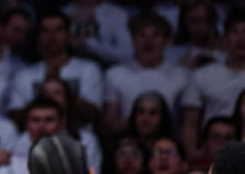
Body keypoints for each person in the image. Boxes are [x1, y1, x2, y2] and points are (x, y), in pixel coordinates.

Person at [9, 13, 103, 125]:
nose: (52, 36)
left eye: (58, 30)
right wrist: (45, 94)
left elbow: (93, 114)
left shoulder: (89, 69)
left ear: (69, 36)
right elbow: (15, 118)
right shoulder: (24, 75)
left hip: (80, 136)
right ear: (38, 36)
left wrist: (60, 90)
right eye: (46, 30)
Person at [103, 13, 188, 133]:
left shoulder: (182, 76)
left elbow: (187, 124)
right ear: (133, 40)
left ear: (166, 41)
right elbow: (110, 121)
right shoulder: (115, 74)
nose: (148, 41)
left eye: (156, 35)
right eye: (142, 35)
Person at [181, 12, 245, 159]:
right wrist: (192, 153)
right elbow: (190, 124)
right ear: (224, 39)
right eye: (235, 32)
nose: (241, 39)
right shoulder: (202, 75)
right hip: (212, 153)